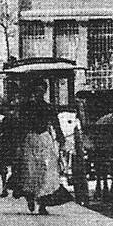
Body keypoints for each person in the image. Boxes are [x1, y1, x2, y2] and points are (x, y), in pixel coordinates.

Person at [14, 85, 71, 214]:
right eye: (36, 90)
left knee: (45, 170)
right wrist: (18, 143)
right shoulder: (26, 108)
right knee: (30, 170)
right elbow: (20, 126)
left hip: (44, 139)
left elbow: (55, 124)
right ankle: (30, 197)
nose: (39, 93)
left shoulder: (48, 107)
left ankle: (42, 203)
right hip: (30, 139)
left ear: (44, 92)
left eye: (41, 91)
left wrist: (60, 139)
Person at [0, 100, 21, 198]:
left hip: (13, 146)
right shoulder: (4, 122)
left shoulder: (16, 121)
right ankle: (5, 187)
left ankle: (13, 187)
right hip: (6, 147)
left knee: (15, 168)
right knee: (4, 168)